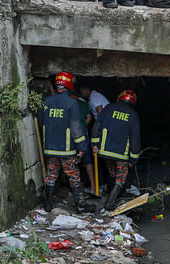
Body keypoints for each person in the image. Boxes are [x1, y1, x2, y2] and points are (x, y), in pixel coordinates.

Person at [41, 71, 95, 213]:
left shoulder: (47, 101)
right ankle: (81, 205)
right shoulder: (72, 103)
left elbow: (42, 122)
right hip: (66, 150)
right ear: (69, 85)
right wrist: (82, 146)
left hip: (50, 148)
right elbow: (76, 128)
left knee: (51, 175)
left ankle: (47, 205)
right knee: (73, 176)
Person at [91, 90, 141, 212]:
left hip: (105, 151)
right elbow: (135, 139)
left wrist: (94, 144)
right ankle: (109, 203)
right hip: (121, 154)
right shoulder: (133, 115)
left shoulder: (109, 108)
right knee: (120, 179)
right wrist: (133, 159)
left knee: (112, 173)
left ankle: (109, 194)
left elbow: (97, 126)